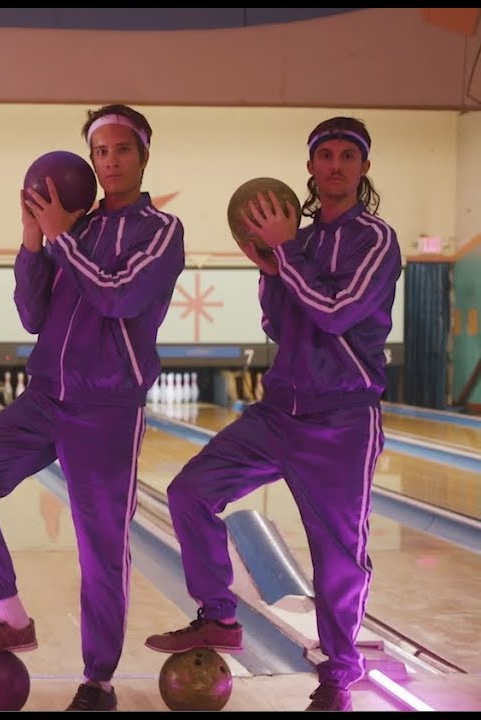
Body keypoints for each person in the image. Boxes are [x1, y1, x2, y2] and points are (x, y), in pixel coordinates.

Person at [144, 116, 400, 713]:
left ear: (363, 168)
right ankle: (218, 615)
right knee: (189, 492)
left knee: (337, 559)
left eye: (347, 156)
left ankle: (338, 676)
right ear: (311, 167)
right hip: (279, 413)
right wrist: (270, 271)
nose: (335, 166)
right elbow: (280, 326)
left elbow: (336, 312)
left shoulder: (375, 239)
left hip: (342, 420)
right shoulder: (298, 241)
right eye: (325, 156)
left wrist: (283, 252)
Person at [0, 104, 185, 711]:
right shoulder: (78, 228)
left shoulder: (161, 230)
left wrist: (62, 238)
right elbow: (32, 315)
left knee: (101, 550)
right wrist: (32, 242)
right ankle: (9, 616)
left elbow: (120, 297)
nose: (110, 161)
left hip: (108, 408)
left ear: (143, 156)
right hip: (46, 398)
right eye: (101, 152)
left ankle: (98, 681)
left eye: (121, 150)